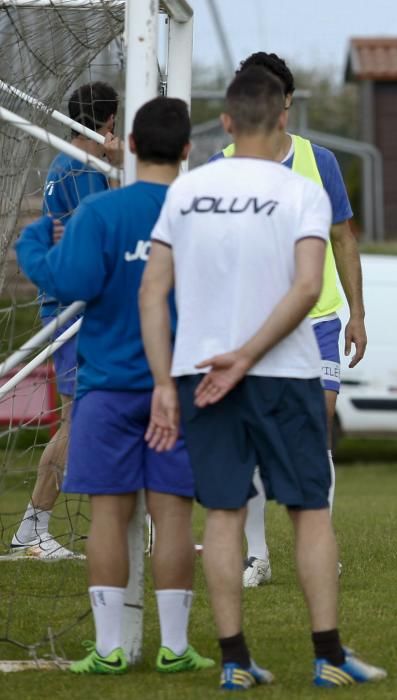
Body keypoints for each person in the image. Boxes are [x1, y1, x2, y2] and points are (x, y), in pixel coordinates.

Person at [139, 67, 385, 690]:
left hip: (201, 374)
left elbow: (152, 291)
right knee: (309, 511)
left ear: (223, 123)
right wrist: (248, 355)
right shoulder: (300, 188)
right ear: (283, 119)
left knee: (222, 515)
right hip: (283, 370)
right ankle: (328, 655)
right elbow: (308, 287)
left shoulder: (185, 191)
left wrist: (166, 384)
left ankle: (233, 662)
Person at [16, 96, 213, 675]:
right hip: (176, 389)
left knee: (108, 515)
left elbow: (65, 280)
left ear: (127, 145)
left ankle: (109, 649)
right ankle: (175, 646)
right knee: (174, 515)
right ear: (185, 150)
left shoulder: (101, 213)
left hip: (105, 386)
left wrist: (33, 241)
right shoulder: (198, 213)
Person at [211, 52, 366, 588]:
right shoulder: (219, 166)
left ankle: (318, 541)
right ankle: (258, 555)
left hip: (317, 320)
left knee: (315, 425)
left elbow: (344, 237)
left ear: (288, 102)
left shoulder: (318, 161)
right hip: (248, 328)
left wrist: (357, 314)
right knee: (250, 436)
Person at [10, 81, 124, 559]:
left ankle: (37, 528)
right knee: (81, 419)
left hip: (78, 308)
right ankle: (32, 529)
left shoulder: (77, 165)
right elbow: (91, 244)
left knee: (95, 416)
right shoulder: (81, 169)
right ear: (109, 123)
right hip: (72, 311)